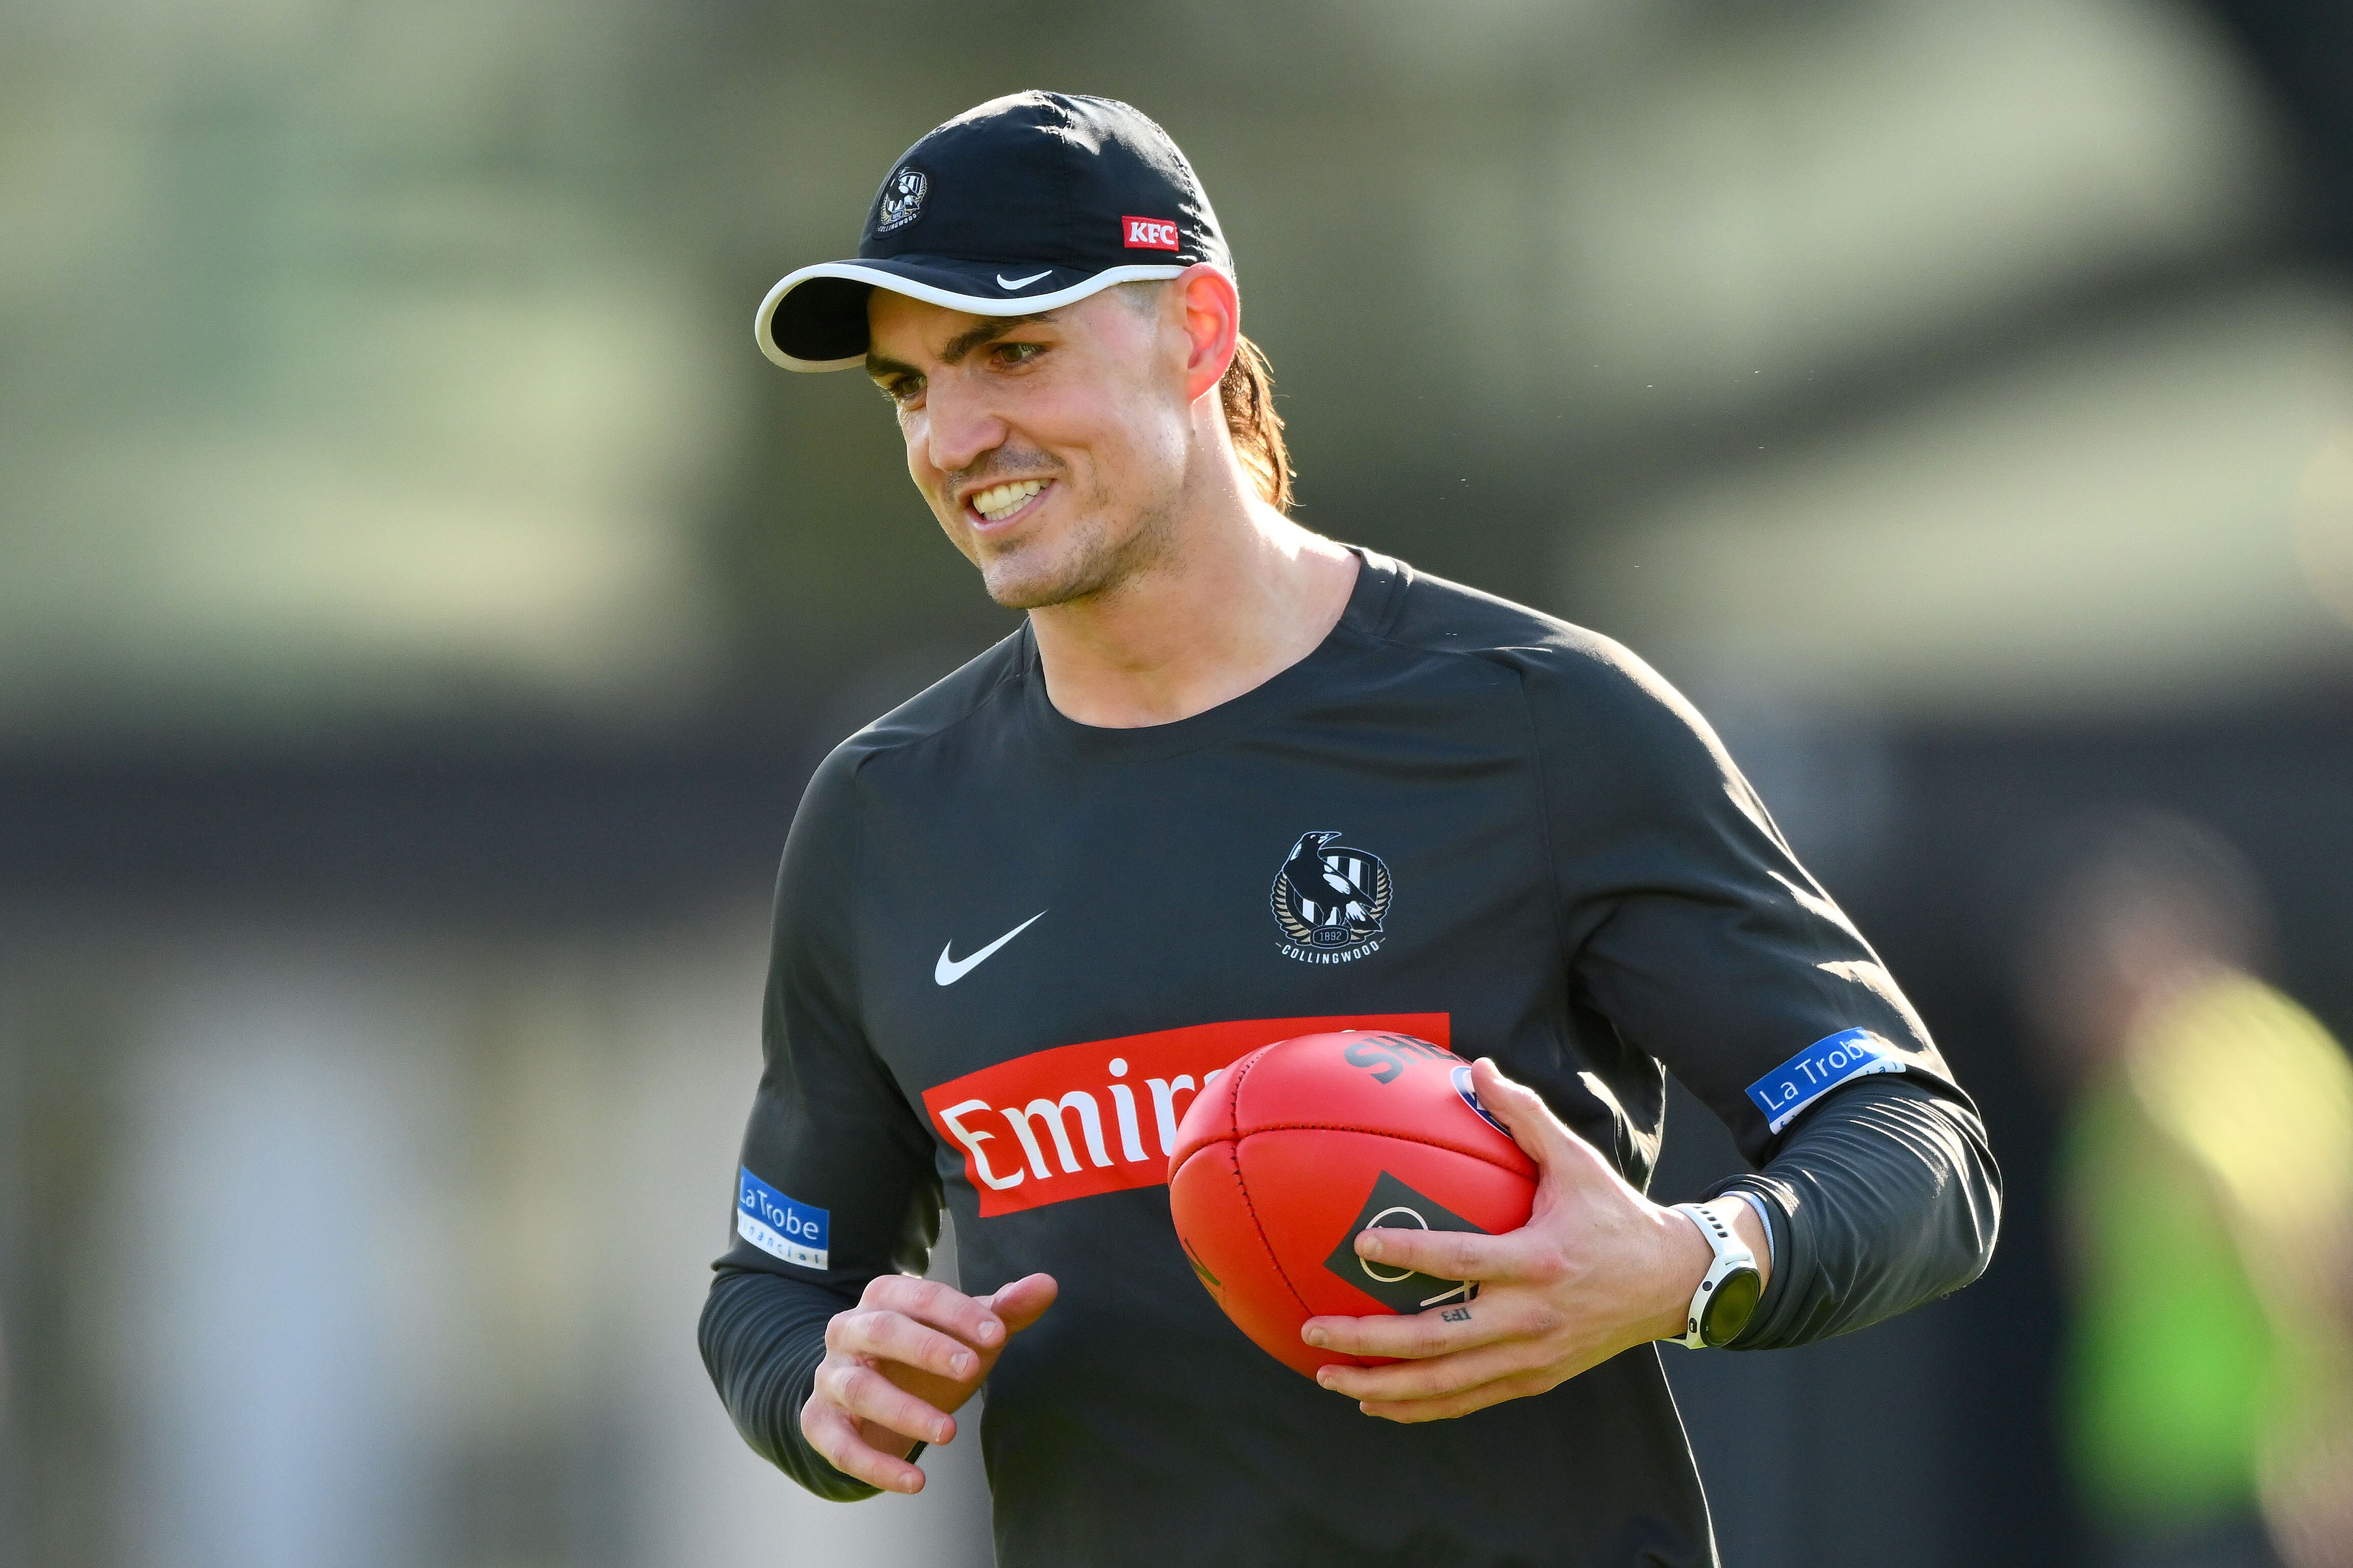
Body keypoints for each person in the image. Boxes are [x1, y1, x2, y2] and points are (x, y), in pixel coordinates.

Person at [699, 91, 2001, 1567]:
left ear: (1196, 331)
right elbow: (774, 1279)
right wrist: (826, 1383)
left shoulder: (1534, 720)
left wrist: (1684, 1261)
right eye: (906, 386)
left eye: (1010, 351)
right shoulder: (883, 814)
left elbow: (1911, 1143)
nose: (954, 433)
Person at [2028, 811, 2353, 1568]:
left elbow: (2290, 1240)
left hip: (2225, 1470)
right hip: (2212, 1471)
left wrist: (2317, 1430)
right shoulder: (2291, 1044)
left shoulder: (2171, 1067)